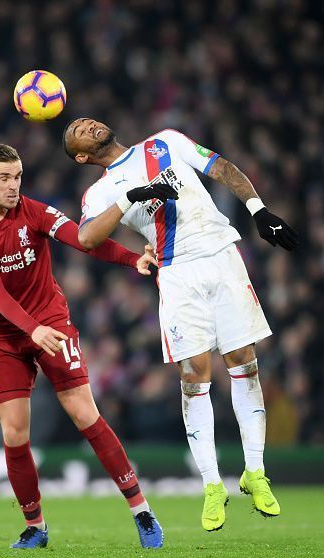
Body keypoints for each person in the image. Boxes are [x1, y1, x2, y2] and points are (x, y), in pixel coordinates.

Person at [63, 118, 299, 532]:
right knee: (195, 375)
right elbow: (86, 238)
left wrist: (260, 211)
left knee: (244, 360)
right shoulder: (100, 192)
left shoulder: (165, 142)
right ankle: (212, 485)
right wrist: (133, 197)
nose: (88, 124)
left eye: (87, 120)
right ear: (81, 156)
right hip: (177, 272)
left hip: (222, 255)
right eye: (78, 131)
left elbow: (222, 168)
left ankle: (256, 473)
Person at [0, 143, 168, 549]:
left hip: (50, 321)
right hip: (4, 334)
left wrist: (129, 258)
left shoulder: (34, 211)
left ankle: (142, 512)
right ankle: (36, 527)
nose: (14, 186)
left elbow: (83, 240)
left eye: (17, 176)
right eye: (4, 178)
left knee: (84, 413)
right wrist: (30, 330)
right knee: (14, 433)